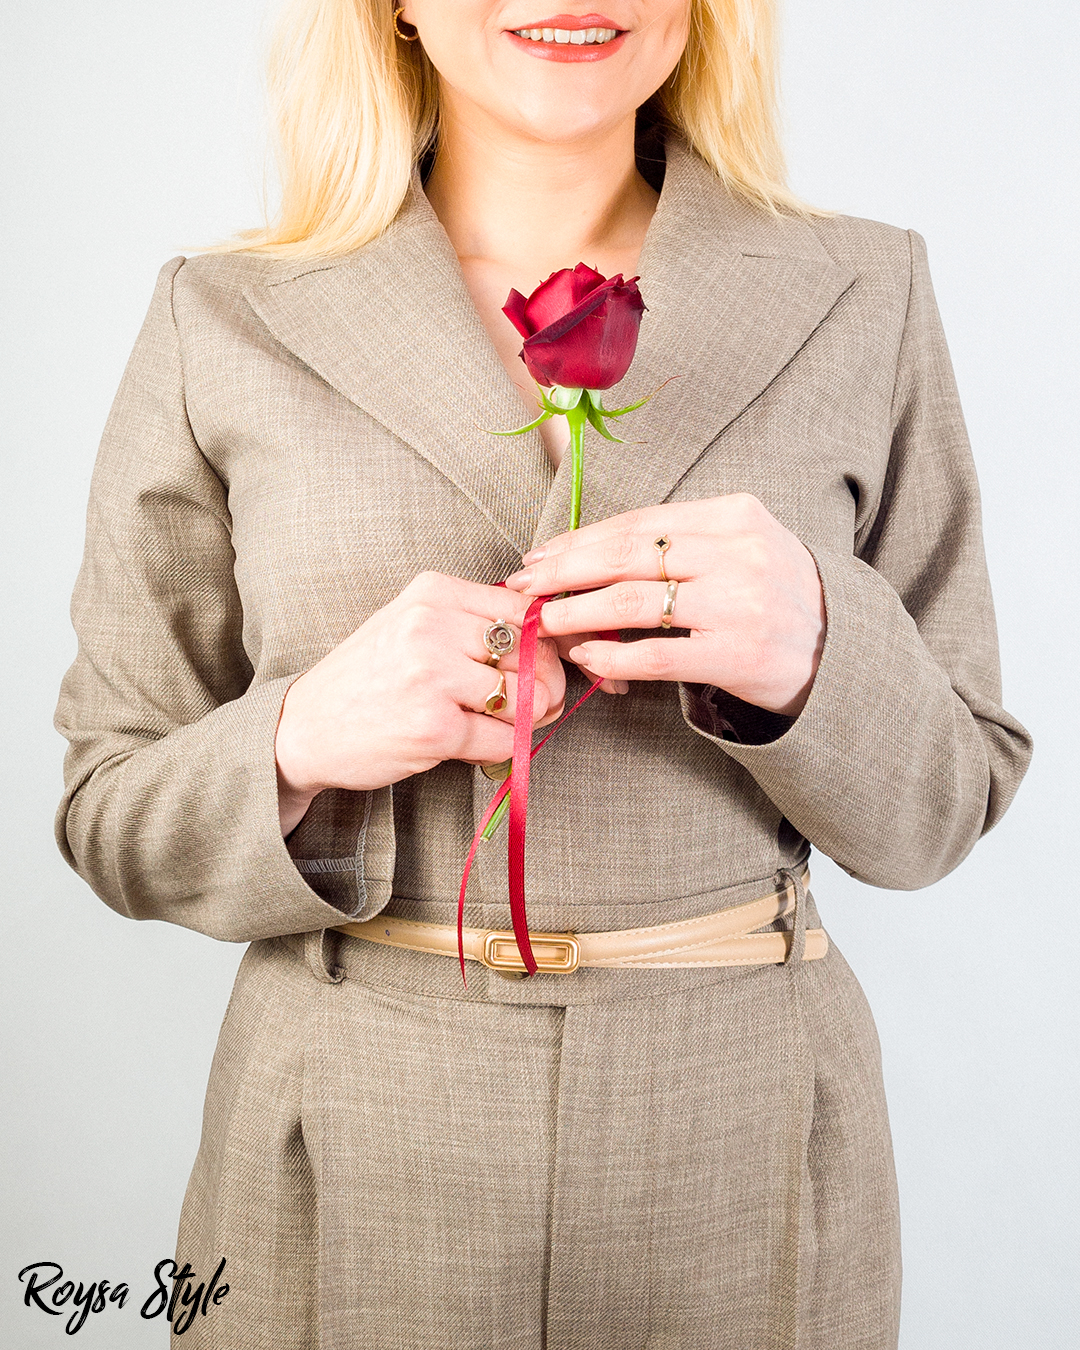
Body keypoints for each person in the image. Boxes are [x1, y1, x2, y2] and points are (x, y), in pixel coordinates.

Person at [54, 2, 1033, 1346]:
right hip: (355, 1137)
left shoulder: (864, 292)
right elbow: (108, 810)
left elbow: (950, 800)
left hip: (740, 1147)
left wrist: (816, 649)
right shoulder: (220, 318)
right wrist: (298, 739)